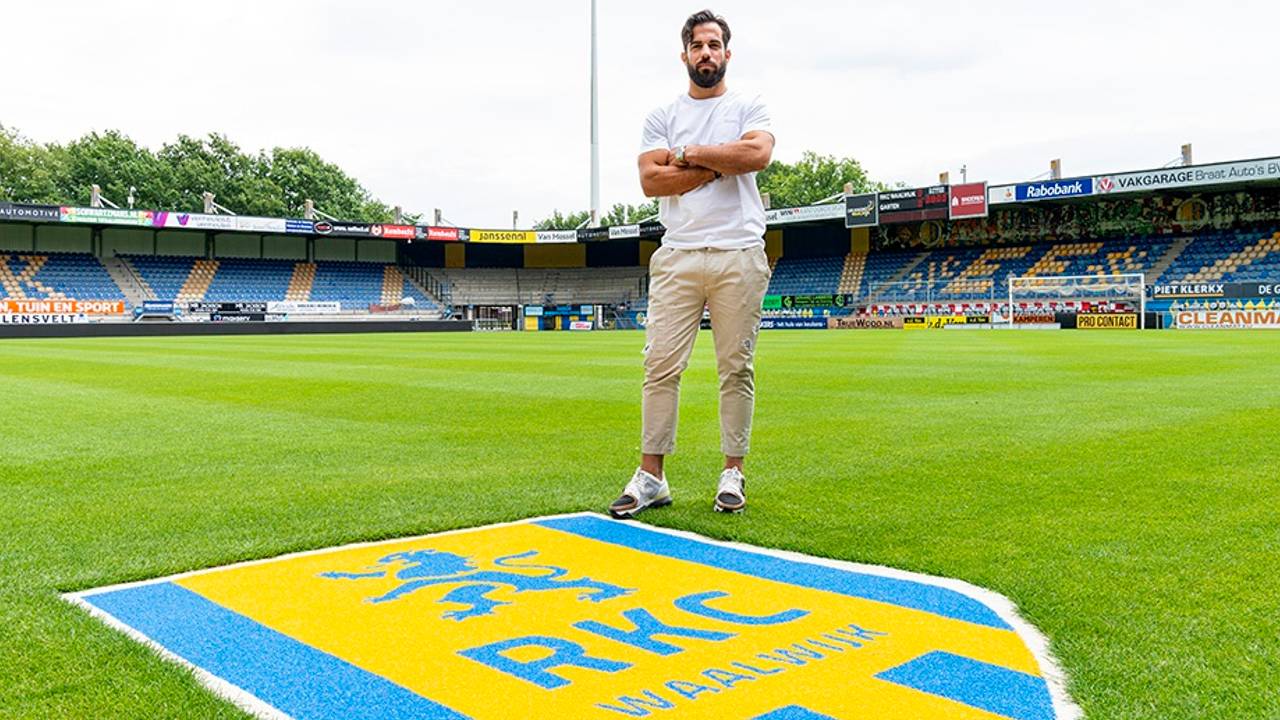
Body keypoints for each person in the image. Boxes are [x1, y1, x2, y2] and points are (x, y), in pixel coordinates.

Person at [609, 9, 775, 518]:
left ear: (727, 52)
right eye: (697, 46)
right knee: (660, 366)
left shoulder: (750, 104)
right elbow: (651, 182)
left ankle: (733, 472)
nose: (706, 53)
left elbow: (758, 156)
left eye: (714, 44)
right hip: (678, 252)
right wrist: (717, 163)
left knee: (735, 368)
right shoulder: (661, 115)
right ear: (684, 55)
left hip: (739, 251)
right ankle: (651, 476)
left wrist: (689, 155)